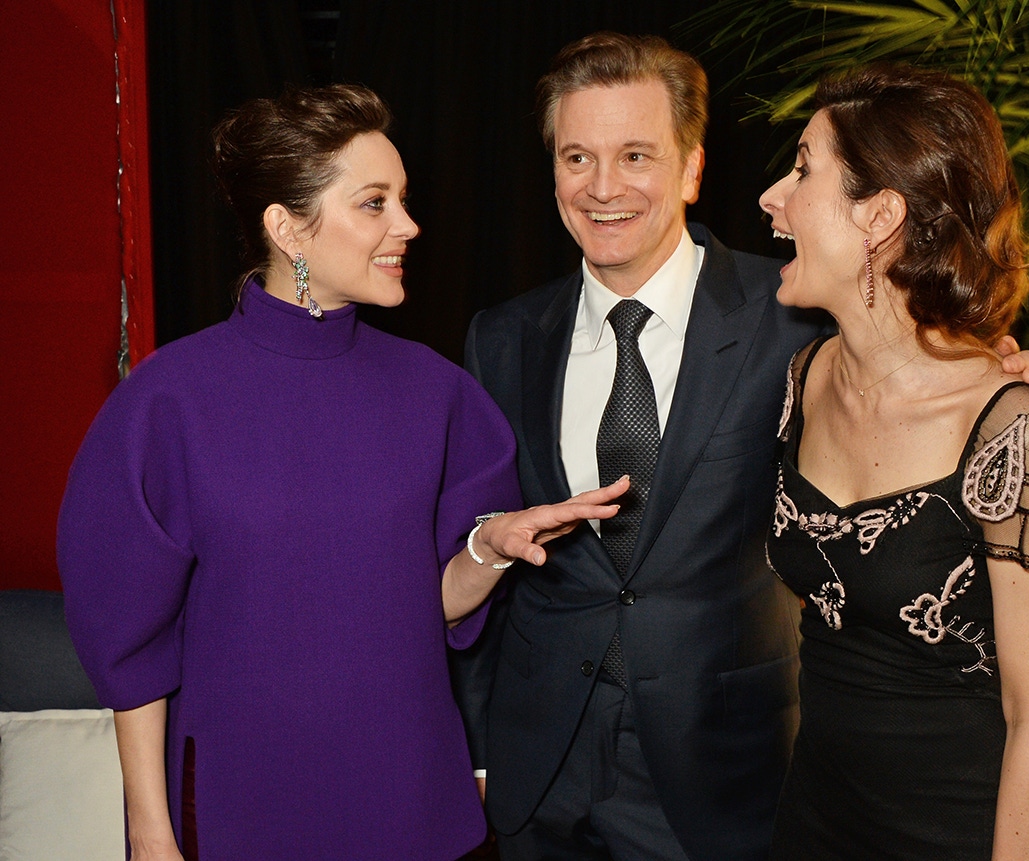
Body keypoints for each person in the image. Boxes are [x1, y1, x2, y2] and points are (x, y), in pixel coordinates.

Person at [452, 33, 1029, 861]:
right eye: (577, 156)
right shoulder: (500, 340)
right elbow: (480, 555)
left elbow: (920, 353)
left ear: (691, 168)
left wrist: (1014, 369)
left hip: (726, 787)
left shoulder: (794, 323)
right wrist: (484, 754)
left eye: (635, 153)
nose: (603, 187)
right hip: (543, 786)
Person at [56, 83, 625, 861]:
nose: (408, 224)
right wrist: (150, 830)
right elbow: (130, 643)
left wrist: (489, 548)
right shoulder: (167, 401)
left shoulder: (438, 392)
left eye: (403, 198)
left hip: (411, 804)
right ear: (287, 227)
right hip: (237, 811)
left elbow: (422, 608)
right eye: (374, 203)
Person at [759, 64, 1029, 860]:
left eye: (804, 169)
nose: (774, 196)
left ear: (879, 215)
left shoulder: (1020, 431)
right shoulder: (806, 377)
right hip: (811, 823)